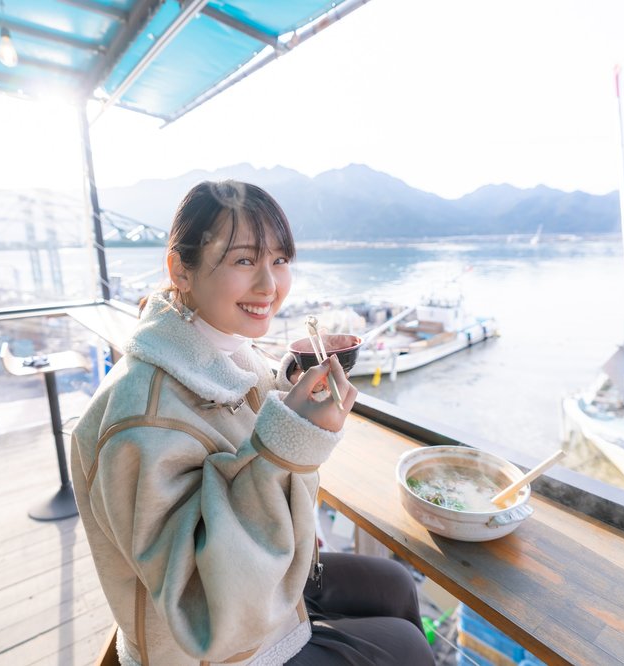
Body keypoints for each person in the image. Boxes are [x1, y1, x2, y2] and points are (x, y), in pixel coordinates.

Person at [71, 181, 434, 665]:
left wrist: (284, 391)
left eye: (280, 260)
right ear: (181, 269)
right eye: (244, 261)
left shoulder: (217, 344)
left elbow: (233, 420)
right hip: (212, 645)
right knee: (406, 645)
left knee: (392, 586)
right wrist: (292, 441)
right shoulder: (140, 419)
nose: (270, 286)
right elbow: (205, 609)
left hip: (262, 575)